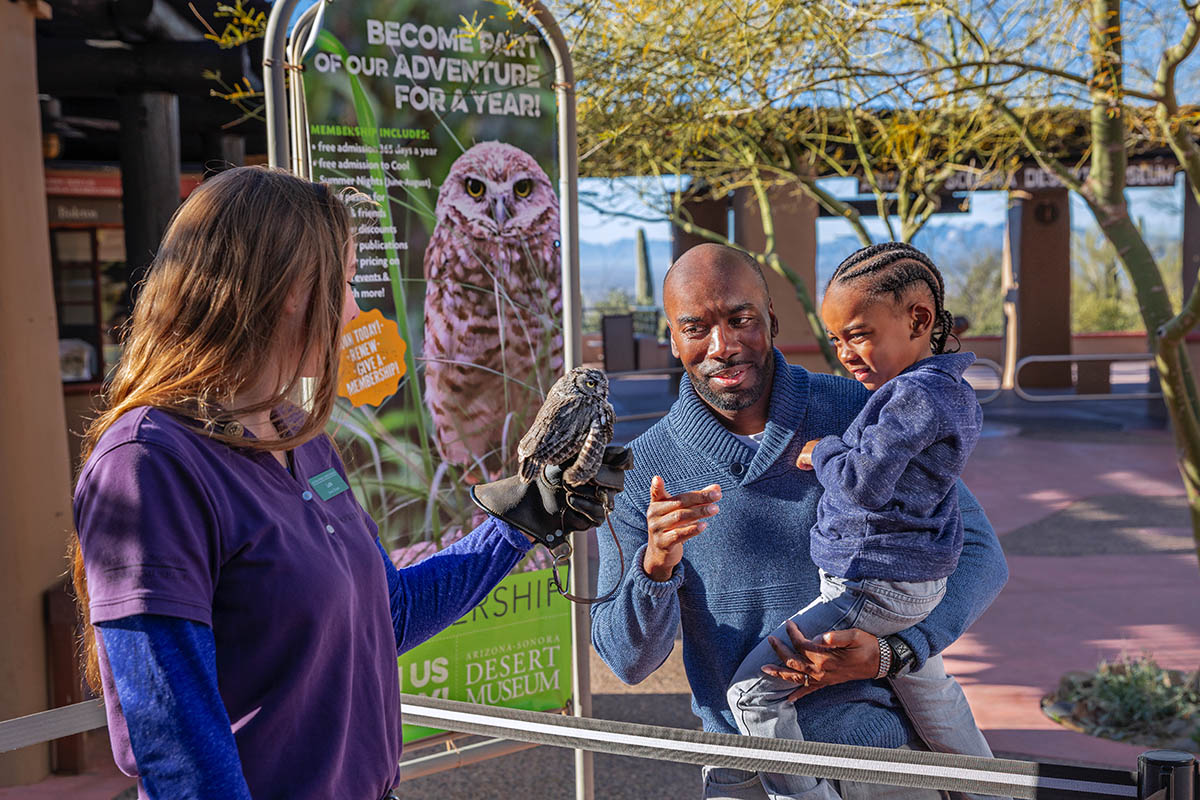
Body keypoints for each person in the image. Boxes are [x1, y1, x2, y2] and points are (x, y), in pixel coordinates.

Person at [69, 166, 629, 800]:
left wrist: (522, 519)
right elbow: (178, 754)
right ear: (284, 290)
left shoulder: (297, 436)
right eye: (345, 284)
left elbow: (385, 615)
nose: (355, 309)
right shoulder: (150, 464)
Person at [590, 243, 1009, 800]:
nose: (723, 345)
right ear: (672, 336)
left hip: (881, 757)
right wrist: (656, 566)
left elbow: (980, 556)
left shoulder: (862, 408)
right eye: (696, 327)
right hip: (748, 774)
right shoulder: (644, 472)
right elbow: (626, 660)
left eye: (741, 320)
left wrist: (894, 652)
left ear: (772, 320)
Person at [725, 242, 997, 800]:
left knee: (751, 695)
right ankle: (994, 790)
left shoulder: (914, 398)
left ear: (919, 319)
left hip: (868, 584)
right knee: (933, 694)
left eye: (859, 334)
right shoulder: (936, 391)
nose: (846, 353)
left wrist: (824, 450)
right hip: (907, 584)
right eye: (836, 340)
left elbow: (863, 482)